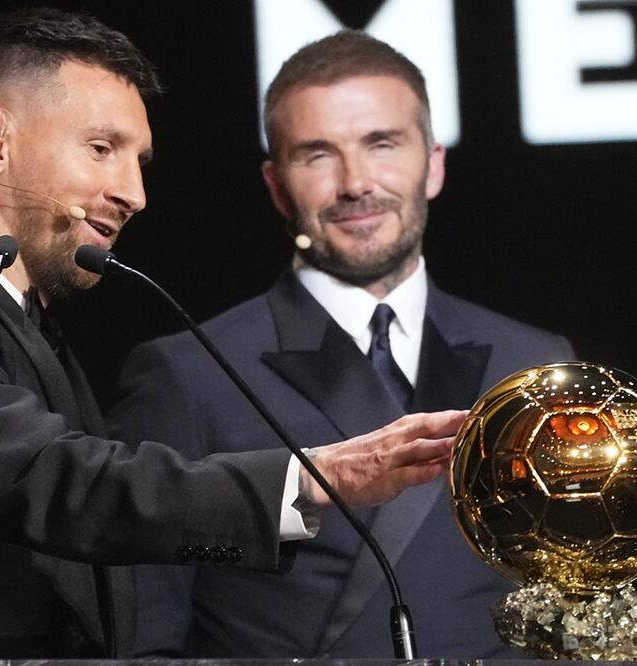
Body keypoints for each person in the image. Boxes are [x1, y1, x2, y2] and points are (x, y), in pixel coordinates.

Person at [0, 10, 468, 660]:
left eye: (138, 160)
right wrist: (309, 480)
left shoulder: (23, 322)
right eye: (101, 148)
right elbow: (50, 478)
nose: (134, 192)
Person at [106, 31, 576, 658]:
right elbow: (143, 639)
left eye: (382, 144)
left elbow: (574, 609)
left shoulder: (536, 364)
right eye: (318, 155)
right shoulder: (190, 375)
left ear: (433, 163)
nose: (356, 183)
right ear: (277, 187)